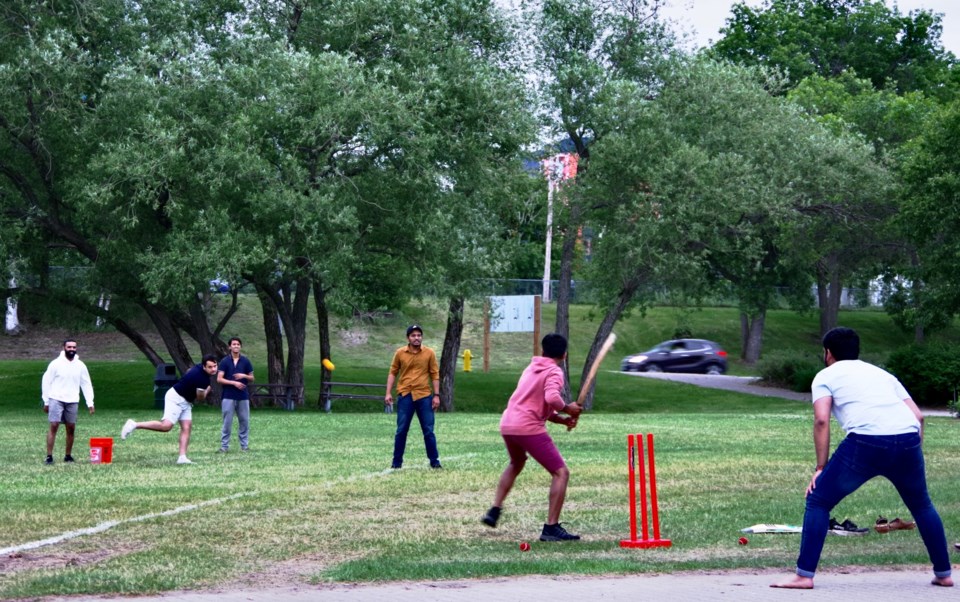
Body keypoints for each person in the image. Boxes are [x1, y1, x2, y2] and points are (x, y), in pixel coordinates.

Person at [772, 327, 953, 590]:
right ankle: (944, 573)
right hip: (907, 441)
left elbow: (822, 419)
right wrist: (911, 454)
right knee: (922, 505)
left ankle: (803, 576)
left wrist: (820, 467)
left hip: (865, 443)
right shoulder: (882, 374)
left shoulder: (826, 375)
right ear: (857, 351)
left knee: (818, 500)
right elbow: (919, 417)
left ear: (828, 353)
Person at [481, 333, 583, 542]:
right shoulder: (554, 371)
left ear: (543, 351)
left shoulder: (531, 368)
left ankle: (495, 509)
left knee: (517, 462)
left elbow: (537, 403)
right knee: (560, 473)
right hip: (528, 427)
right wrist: (567, 407)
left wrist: (563, 419)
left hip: (508, 423)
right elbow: (551, 398)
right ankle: (551, 528)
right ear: (564, 355)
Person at [120, 355, 217, 465]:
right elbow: (200, 398)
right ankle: (134, 424)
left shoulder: (199, 368)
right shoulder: (202, 379)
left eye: (215, 366)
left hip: (186, 401)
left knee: (186, 427)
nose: (213, 369)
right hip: (176, 398)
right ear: (204, 367)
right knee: (166, 426)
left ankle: (182, 457)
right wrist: (208, 389)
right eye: (210, 367)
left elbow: (189, 370)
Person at [385, 324, 442, 469]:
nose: (416, 338)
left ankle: (434, 462)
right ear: (408, 338)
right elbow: (393, 372)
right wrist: (388, 393)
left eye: (419, 335)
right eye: (413, 335)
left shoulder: (429, 353)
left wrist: (436, 395)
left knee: (428, 430)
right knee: (401, 430)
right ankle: (396, 463)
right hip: (405, 395)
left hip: (424, 395)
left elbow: (435, 374)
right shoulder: (400, 353)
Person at [41, 339, 95, 465]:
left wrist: (90, 402)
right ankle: (49, 456)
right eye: (69, 347)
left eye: (74, 347)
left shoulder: (80, 365)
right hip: (56, 398)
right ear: (64, 348)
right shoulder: (55, 364)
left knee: (71, 428)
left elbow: (86, 383)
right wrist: (46, 401)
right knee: (54, 425)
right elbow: (46, 381)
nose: (72, 349)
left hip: (72, 400)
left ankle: (68, 456)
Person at [216, 337, 254, 452]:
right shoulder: (224, 361)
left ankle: (244, 446)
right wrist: (234, 383)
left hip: (243, 396)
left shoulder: (246, 361)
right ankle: (224, 446)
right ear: (229, 347)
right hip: (228, 395)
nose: (236, 346)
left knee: (244, 421)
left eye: (238, 344)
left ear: (240, 347)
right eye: (234, 344)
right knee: (227, 422)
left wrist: (244, 376)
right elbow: (219, 379)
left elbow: (252, 378)